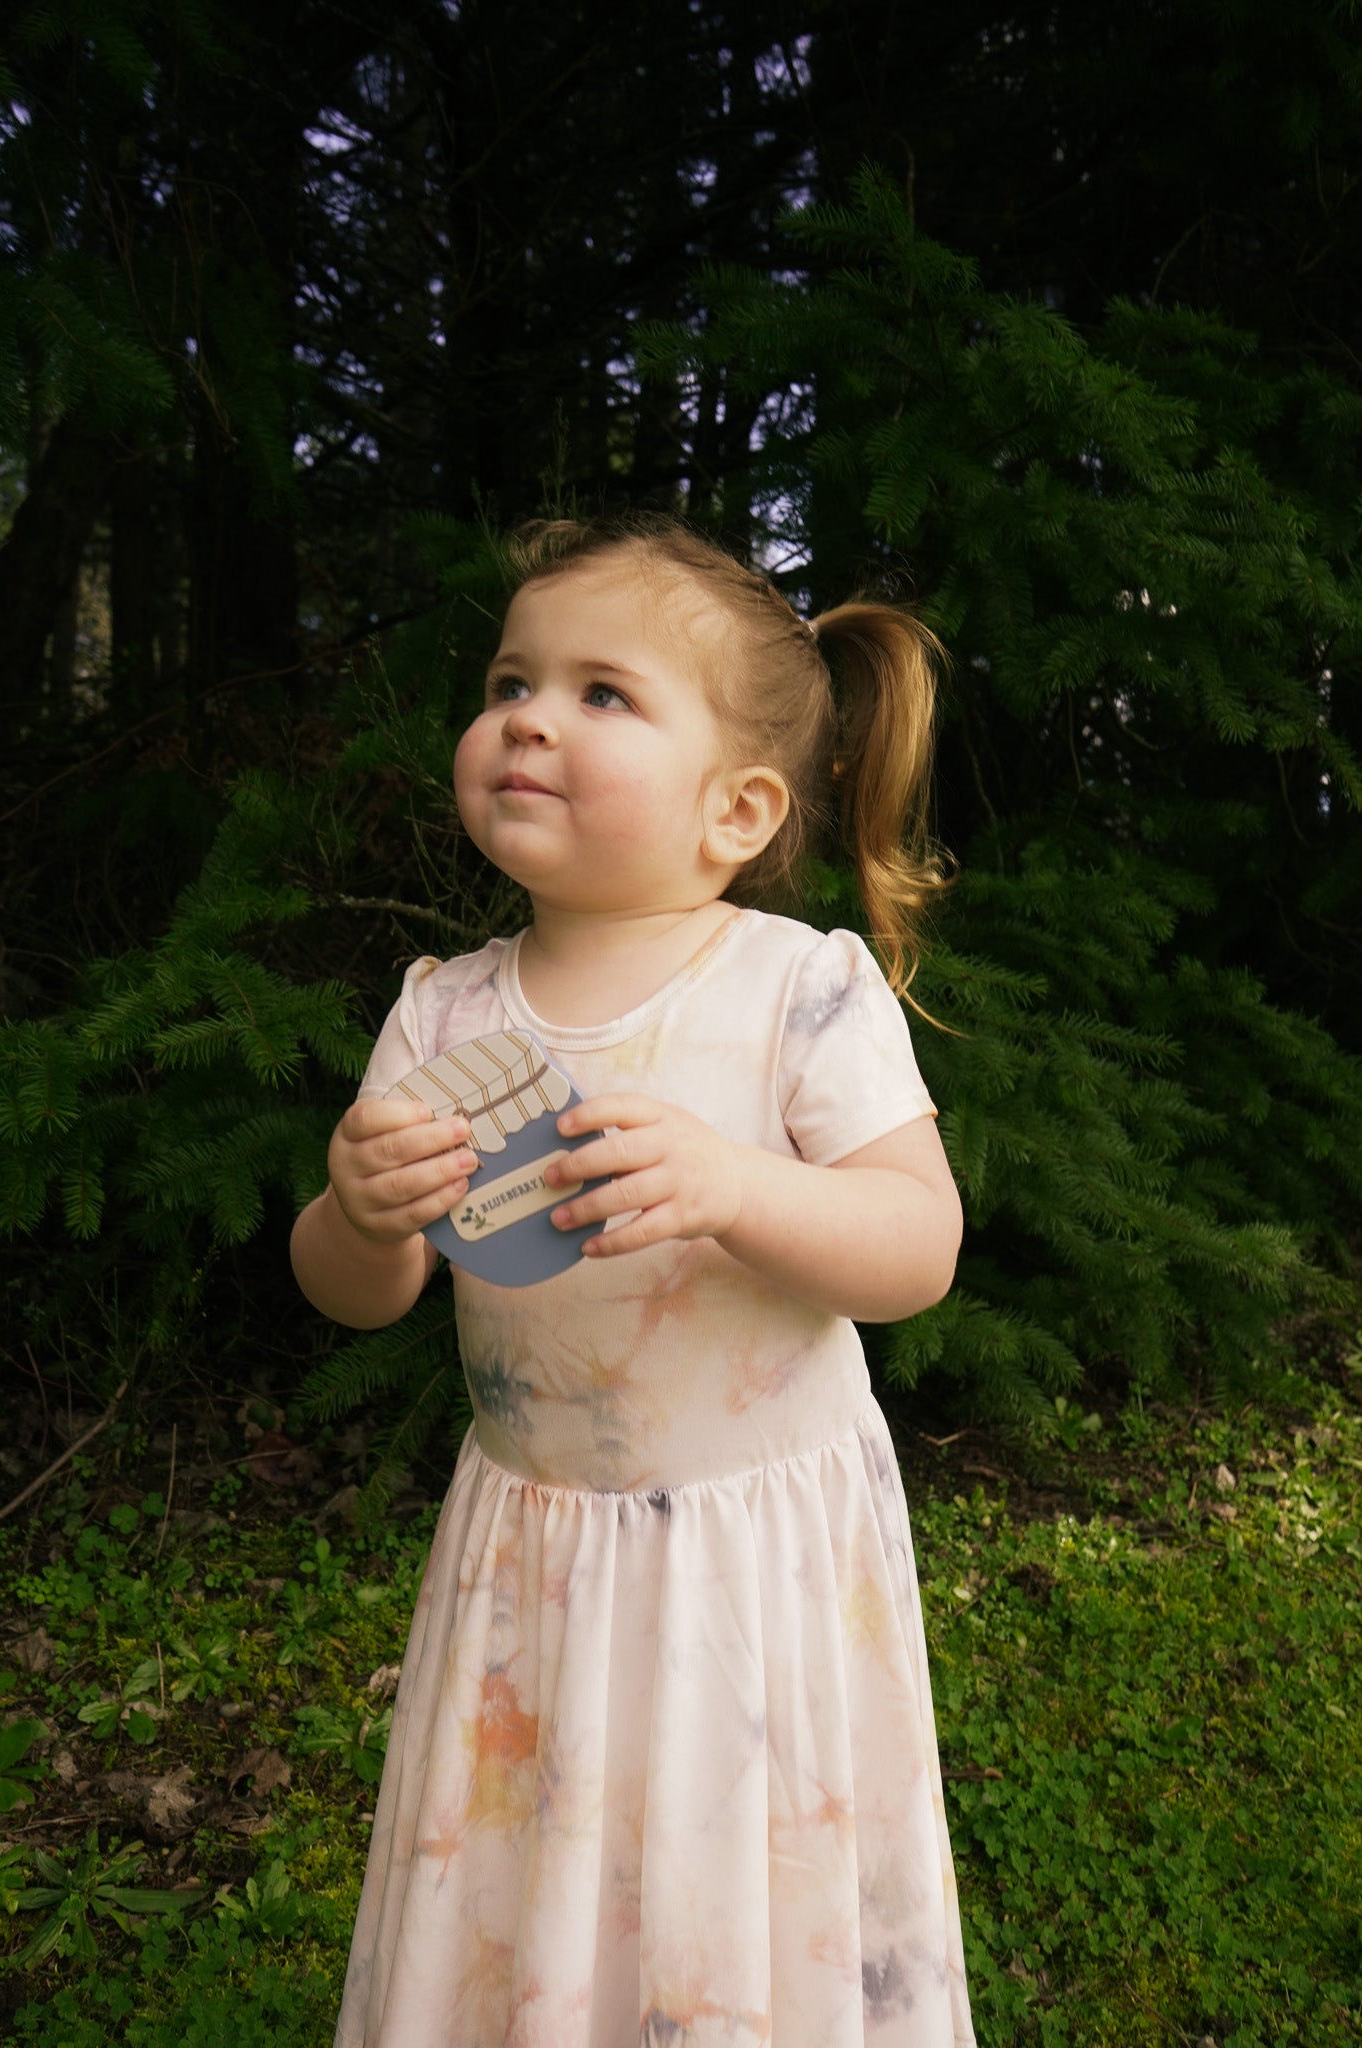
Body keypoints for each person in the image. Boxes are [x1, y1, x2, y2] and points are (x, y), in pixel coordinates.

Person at [292, 516, 977, 2047]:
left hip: (754, 1562)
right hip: (531, 1550)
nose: (527, 715)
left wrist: (739, 1189)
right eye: (509, 680)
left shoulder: (796, 990)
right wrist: (358, 1210)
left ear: (735, 807)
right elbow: (358, 1293)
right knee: (538, 1875)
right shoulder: (443, 1011)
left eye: (603, 693)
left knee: (735, 1879)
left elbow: (915, 1249)